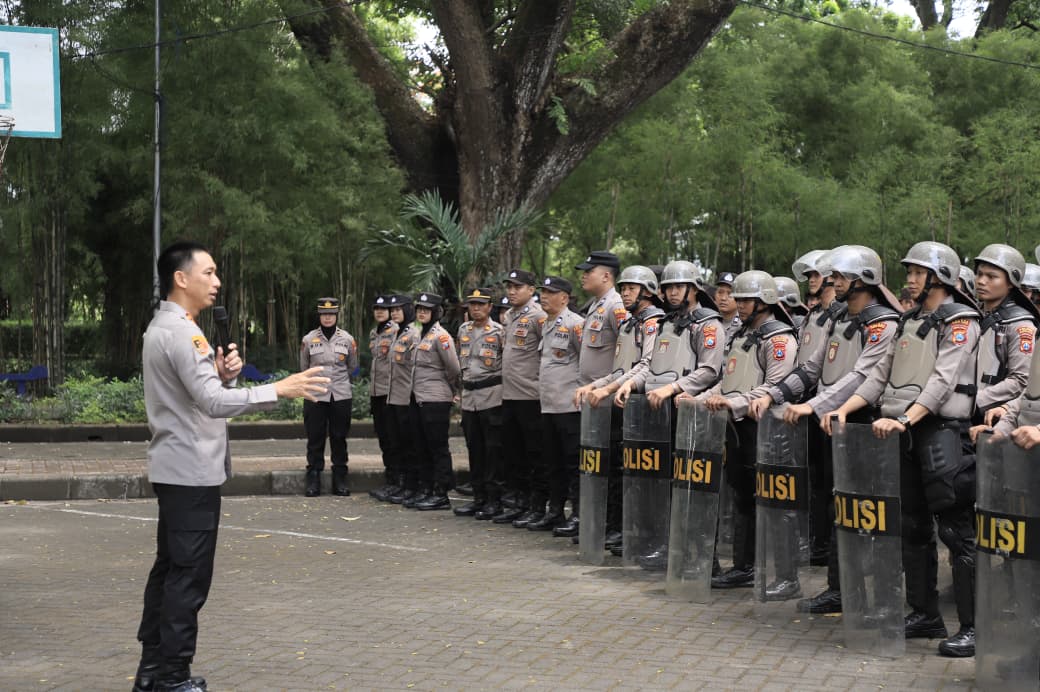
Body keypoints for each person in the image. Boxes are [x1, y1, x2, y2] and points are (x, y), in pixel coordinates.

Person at [133, 241, 329, 692]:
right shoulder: (182, 332)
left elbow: (202, 395)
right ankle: (171, 677)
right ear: (181, 278)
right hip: (191, 472)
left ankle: (153, 670)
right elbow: (214, 403)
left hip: (176, 468)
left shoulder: (167, 327)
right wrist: (278, 389)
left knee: (170, 570)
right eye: (209, 272)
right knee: (188, 577)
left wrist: (221, 375)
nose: (217, 281)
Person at [828, 240, 979, 658]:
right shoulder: (908, 320)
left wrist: (906, 418)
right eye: (908, 272)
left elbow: (943, 380)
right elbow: (879, 377)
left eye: (917, 273)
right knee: (912, 527)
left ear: (940, 276)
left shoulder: (961, 321)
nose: (909, 281)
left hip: (942, 430)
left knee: (956, 530)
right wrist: (845, 409)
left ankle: (972, 626)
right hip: (904, 430)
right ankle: (925, 614)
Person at [750, 245, 902, 614]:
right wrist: (776, 394)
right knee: (839, 508)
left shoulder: (884, 323)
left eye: (839, 277)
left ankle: (879, 597)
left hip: (865, 424)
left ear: (862, 280)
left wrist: (813, 405)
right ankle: (840, 588)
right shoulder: (837, 319)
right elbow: (811, 369)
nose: (832, 282)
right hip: (833, 422)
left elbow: (860, 378)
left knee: (865, 511)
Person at [616, 260, 725, 571]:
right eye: (668, 287)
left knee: (694, 486)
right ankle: (670, 548)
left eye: (679, 286)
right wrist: (630, 384)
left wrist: (673, 389)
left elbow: (709, 370)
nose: (673, 292)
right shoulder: (665, 322)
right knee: (665, 485)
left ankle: (704, 557)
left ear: (693, 289)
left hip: (689, 413)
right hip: (658, 414)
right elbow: (651, 366)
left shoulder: (708, 324)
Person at [701, 271, 798, 592]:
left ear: (765, 301)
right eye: (738, 299)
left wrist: (734, 403)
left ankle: (786, 576)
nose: (739, 305)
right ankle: (744, 566)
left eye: (746, 299)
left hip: (768, 431)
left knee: (774, 502)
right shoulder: (741, 335)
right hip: (738, 429)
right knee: (743, 498)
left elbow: (774, 388)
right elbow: (724, 381)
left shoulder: (780, 339)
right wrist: (699, 398)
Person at [574, 265, 664, 551]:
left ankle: (636, 531)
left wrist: (610, 388)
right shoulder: (629, 323)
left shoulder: (654, 322)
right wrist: (595, 385)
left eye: (631, 288)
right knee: (618, 469)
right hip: (623, 407)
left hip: (643, 407)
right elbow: (619, 369)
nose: (625, 293)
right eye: (623, 288)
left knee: (640, 474)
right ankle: (618, 527)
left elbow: (646, 365)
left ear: (647, 291)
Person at [492, 269, 548, 525]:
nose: (512, 291)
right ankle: (518, 502)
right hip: (510, 395)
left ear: (531, 290)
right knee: (513, 453)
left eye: (518, 287)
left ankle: (538, 506)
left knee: (535, 453)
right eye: (509, 287)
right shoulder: (510, 316)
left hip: (531, 396)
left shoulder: (539, 316)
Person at [530, 276, 584, 531]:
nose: (543, 296)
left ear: (564, 297)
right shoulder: (545, 324)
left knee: (572, 462)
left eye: (550, 292)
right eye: (542, 292)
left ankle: (578, 513)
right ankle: (555, 511)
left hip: (569, 406)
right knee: (552, 461)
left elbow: (587, 362)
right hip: (548, 405)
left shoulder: (575, 324)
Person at [970, 244, 1038, 424]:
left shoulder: (1021, 324)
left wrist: (972, 401)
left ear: (1010, 282)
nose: (981, 281)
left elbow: (1021, 380)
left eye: (992, 276)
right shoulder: (974, 316)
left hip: (995, 417)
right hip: (961, 412)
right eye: (979, 274)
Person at [453, 288, 506, 519]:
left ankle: (494, 501)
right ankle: (478, 498)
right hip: (469, 398)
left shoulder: (499, 331)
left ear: (489, 307)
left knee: (493, 450)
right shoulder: (463, 329)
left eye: (480, 304)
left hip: (491, 396)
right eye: (472, 304)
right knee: (474, 449)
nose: (475, 308)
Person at [299, 297, 358, 497]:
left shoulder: (348, 339)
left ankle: (340, 478)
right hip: (315, 395)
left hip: (340, 395)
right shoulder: (308, 339)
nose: (327, 317)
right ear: (319, 315)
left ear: (336, 315)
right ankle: (313, 477)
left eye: (331, 314)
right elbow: (304, 367)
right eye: (324, 314)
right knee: (315, 438)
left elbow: (352, 366)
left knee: (339, 437)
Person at [407, 292, 461, 510]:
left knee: (438, 447)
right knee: (422, 446)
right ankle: (427, 488)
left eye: (426, 309)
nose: (422, 312)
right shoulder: (420, 334)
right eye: (419, 308)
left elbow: (454, 369)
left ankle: (441, 493)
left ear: (437, 312)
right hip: (419, 398)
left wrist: (449, 390)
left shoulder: (441, 336)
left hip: (436, 399)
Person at [385, 295, 422, 505]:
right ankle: (401, 484)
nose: (394, 313)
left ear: (408, 310)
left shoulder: (414, 334)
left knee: (409, 446)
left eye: (399, 309)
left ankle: (412, 485)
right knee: (397, 443)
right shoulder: (396, 333)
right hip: (394, 397)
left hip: (407, 398)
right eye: (393, 310)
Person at [368, 295, 402, 501]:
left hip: (391, 392)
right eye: (376, 309)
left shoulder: (397, 331)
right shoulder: (374, 333)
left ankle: (398, 481)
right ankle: (390, 479)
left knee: (393, 439)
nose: (380, 312)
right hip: (376, 393)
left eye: (384, 309)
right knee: (383, 439)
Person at [714, 271, 743, 343]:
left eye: (730, 294)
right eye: (720, 292)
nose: (723, 298)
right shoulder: (708, 322)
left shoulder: (743, 326)